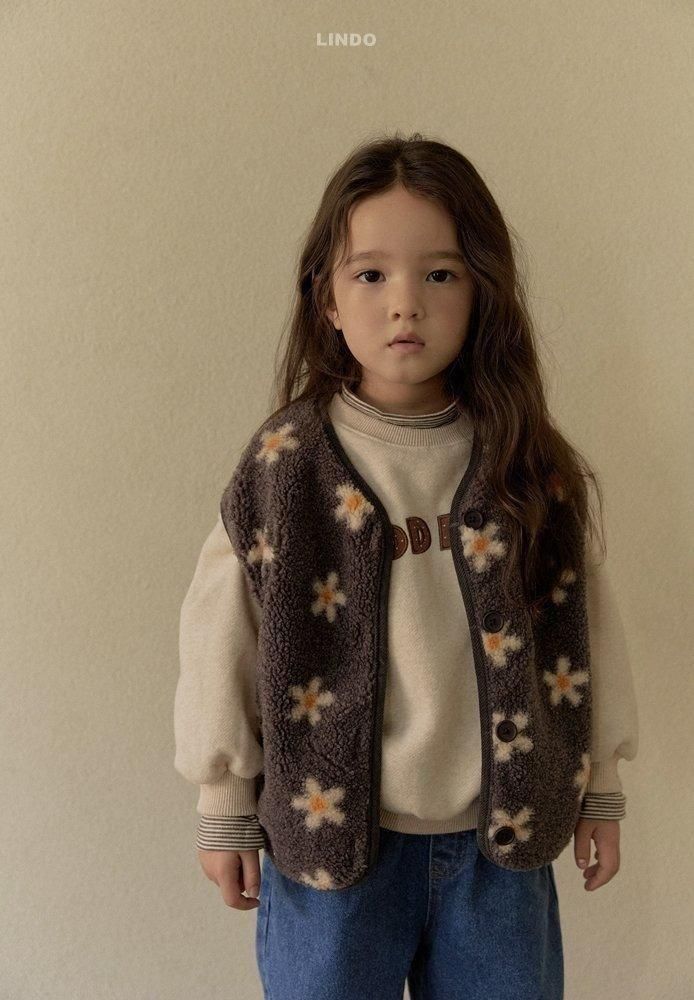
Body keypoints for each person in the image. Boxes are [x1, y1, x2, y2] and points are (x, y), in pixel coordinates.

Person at [173, 131, 639, 1000]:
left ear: (483, 290)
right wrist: (223, 801)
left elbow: (583, 633)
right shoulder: (286, 468)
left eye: (441, 274)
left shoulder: (527, 466)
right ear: (326, 298)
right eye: (371, 275)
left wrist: (601, 788)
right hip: (330, 856)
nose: (405, 305)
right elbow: (224, 637)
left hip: (501, 854)